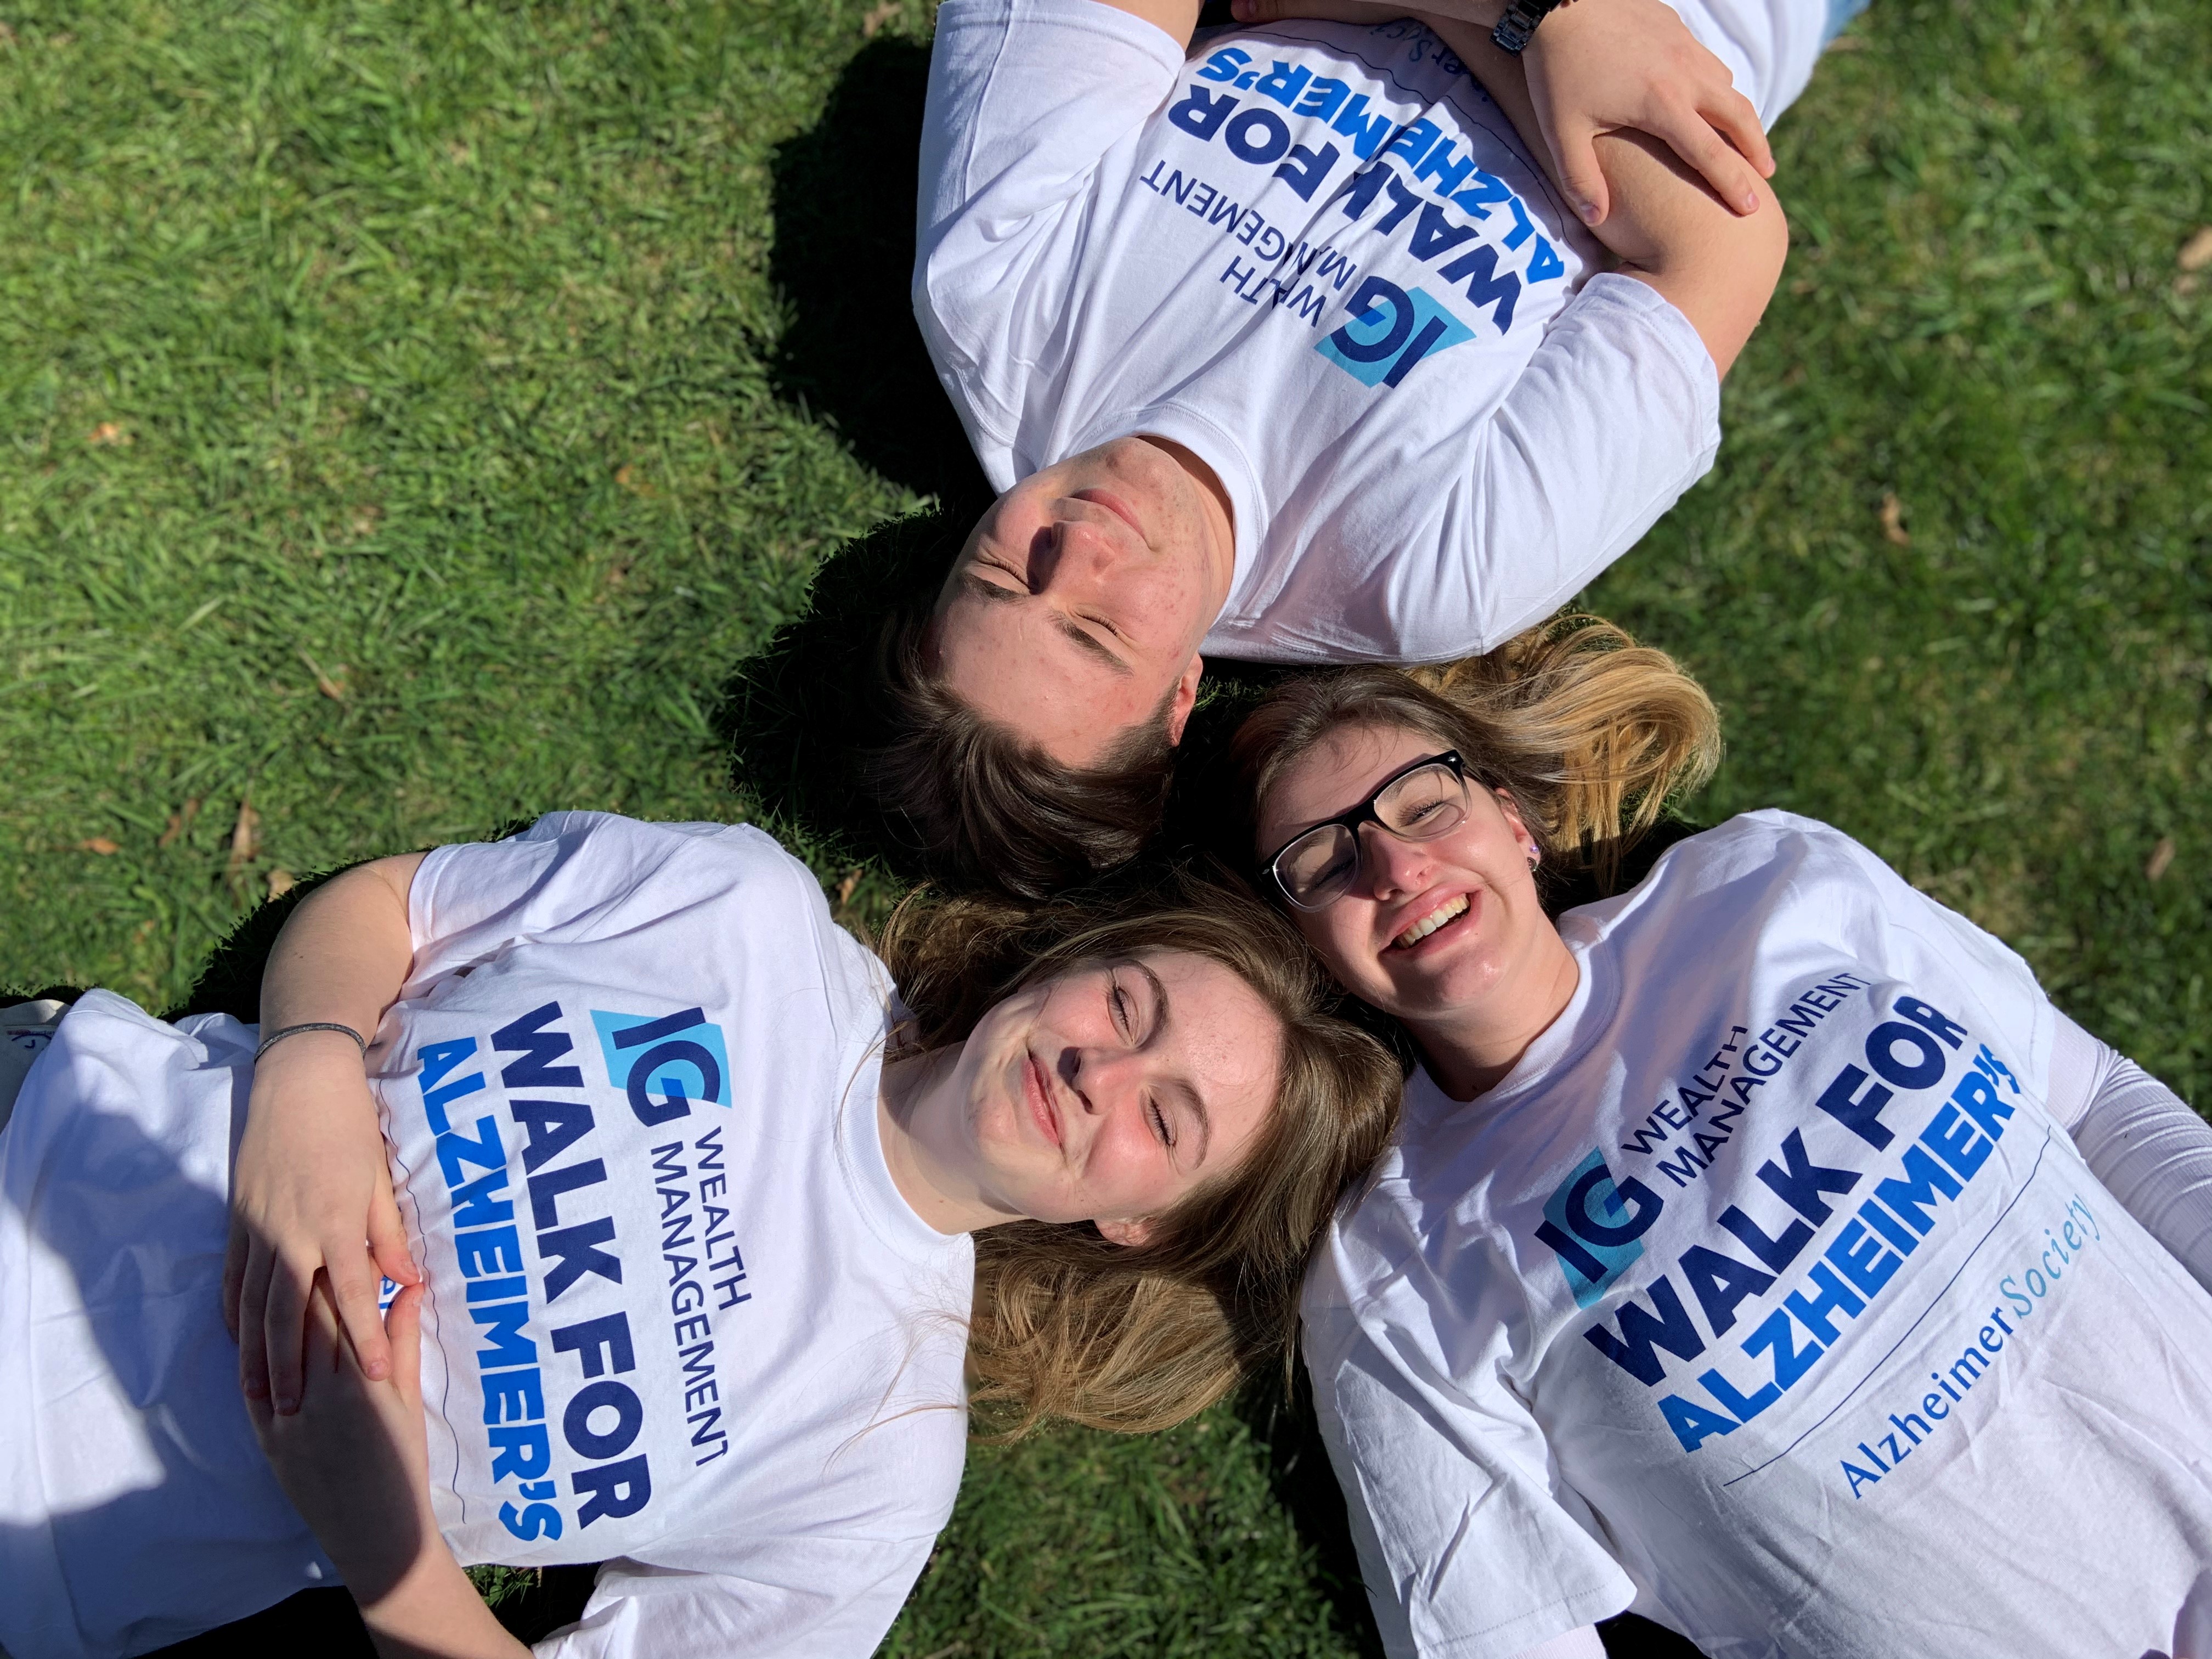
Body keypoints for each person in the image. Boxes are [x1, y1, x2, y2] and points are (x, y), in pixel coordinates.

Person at [0, 812, 1399, 1659]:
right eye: (1130, 1006)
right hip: (53, 1130)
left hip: (51, 1529)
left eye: (1164, 1121)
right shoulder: (746, 916)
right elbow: (387, 910)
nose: (1101, 1072)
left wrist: (391, 1554)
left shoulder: (878, 1462)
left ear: (1135, 1223)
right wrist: (310, 1065)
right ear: (1075, 959)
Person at [1230, 621, 2212, 1657]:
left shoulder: (1769, 886)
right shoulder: (1396, 1262)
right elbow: (1492, 1632)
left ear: (1514, 823)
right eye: (1324, 862)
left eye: (1425, 803)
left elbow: (2093, 1099)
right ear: (1309, 953)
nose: (1393, 862)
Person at [883, 0, 1844, 894]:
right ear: (1182, 698)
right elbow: (1722, 245)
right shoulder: (1429, 569)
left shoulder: (997, 296)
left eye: (1004, 577)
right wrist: (1521, 23)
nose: (1079, 549)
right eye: (1099, 631)